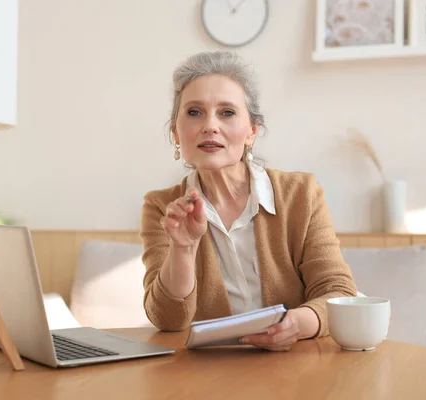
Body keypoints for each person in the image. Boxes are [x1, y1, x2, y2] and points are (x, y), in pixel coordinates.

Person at [140, 51, 357, 351]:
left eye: (227, 112)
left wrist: (295, 325)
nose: (210, 126)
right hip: (208, 377)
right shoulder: (162, 208)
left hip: (298, 368)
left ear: (251, 132)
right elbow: (167, 319)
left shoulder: (301, 194)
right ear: (176, 133)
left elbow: (339, 293)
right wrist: (183, 249)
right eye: (194, 112)